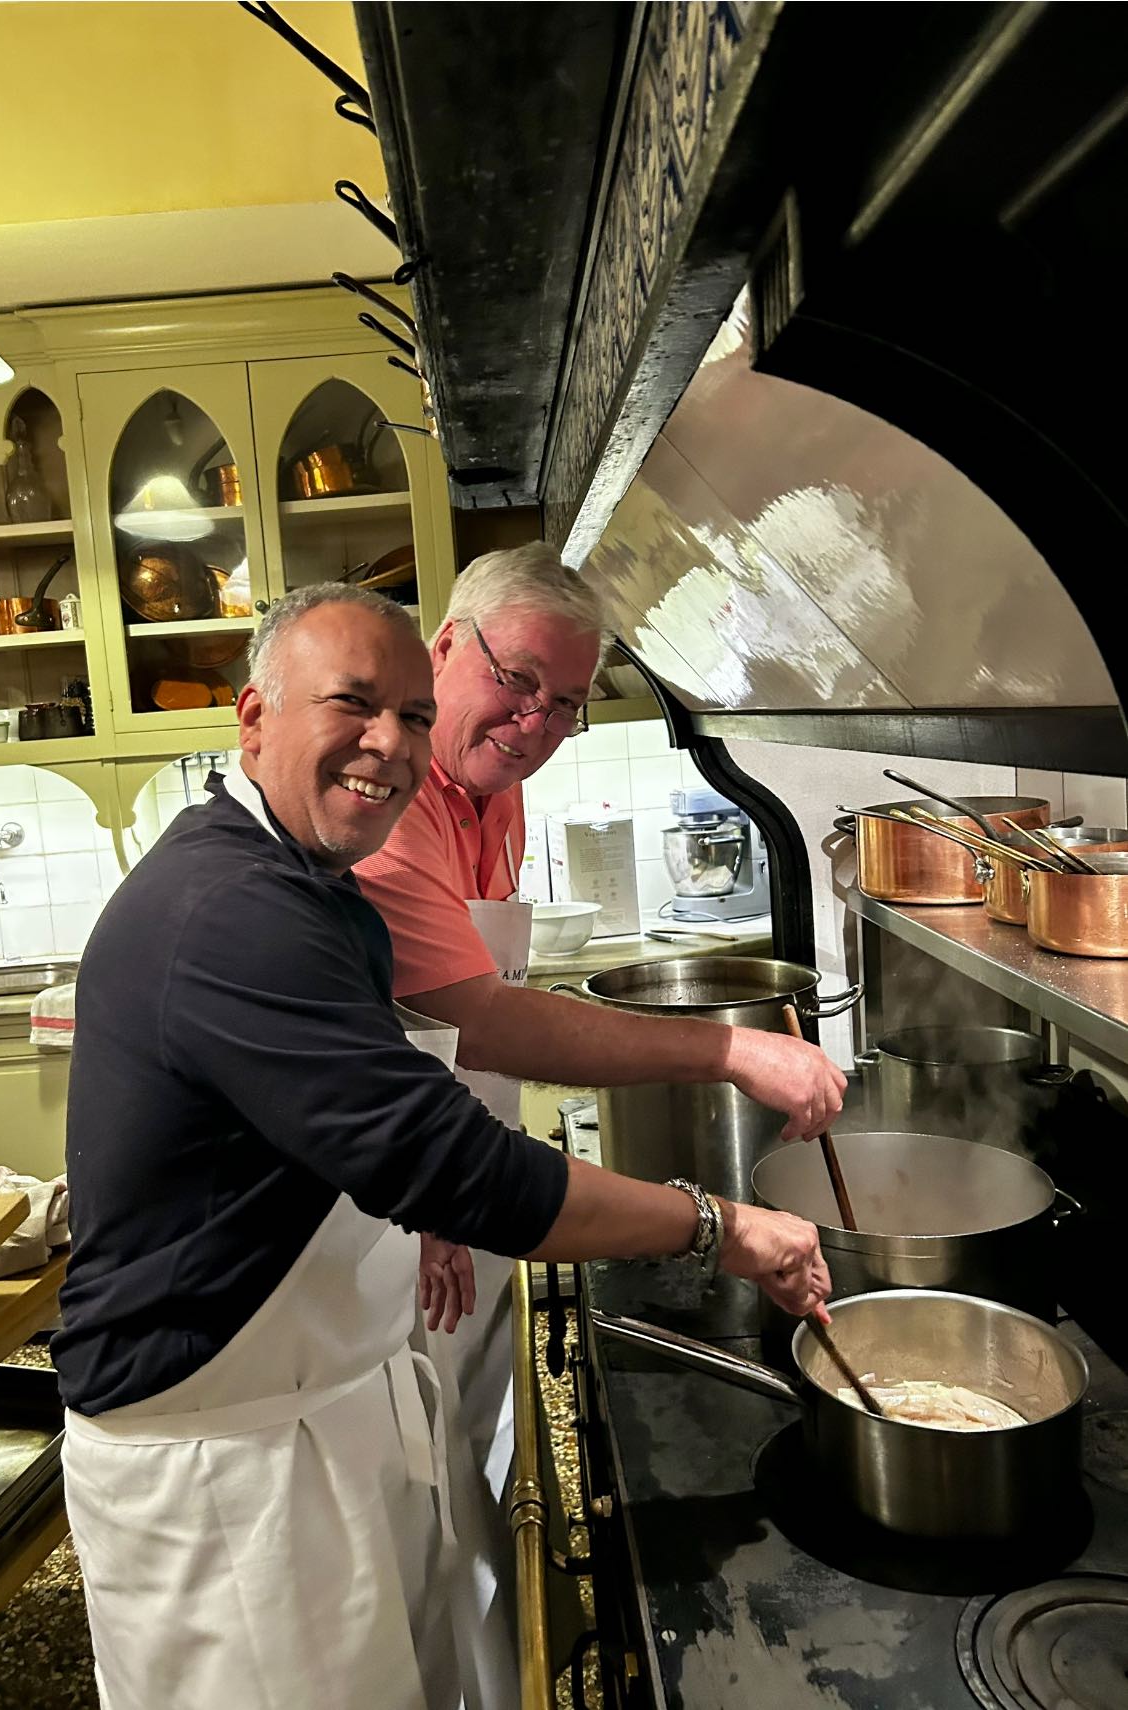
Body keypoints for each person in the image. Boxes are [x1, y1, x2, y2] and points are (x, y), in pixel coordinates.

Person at [52, 584, 831, 1710]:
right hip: (222, 1466)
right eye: (353, 705)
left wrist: (408, 1209)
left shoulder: (312, 884)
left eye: (410, 717)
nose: (389, 745)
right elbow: (461, 1165)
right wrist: (722, 1225)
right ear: (253, 717)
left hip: (318, 1398)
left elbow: (372, 1106)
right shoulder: (230, 913)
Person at [354, 542, 848, 1700]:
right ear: (444, 649)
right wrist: (734, 1048)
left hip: (460, 1188)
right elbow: (479, 1021)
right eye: (517, 681)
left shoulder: (494, 782)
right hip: (391, 1203)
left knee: (480, 1500)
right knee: (411, 1514)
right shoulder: (389, 809)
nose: (536, 722)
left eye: (567, 702)